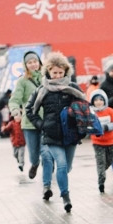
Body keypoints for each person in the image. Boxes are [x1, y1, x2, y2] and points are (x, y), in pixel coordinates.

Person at [26, 51, 89, 212]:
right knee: (60, 165)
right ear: (48, 71)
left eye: (61, 72)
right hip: (51, 135)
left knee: (66, 168)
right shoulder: (42, 90)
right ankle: (65, 197)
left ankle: (62, 186)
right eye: (55, 73)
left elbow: (84, 106)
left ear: (66, 71)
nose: (58, 76)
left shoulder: (72, 88)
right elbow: (29, 110)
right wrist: (42, 125)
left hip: (70, 135)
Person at [9, 51, 43, 178]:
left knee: (46, 152)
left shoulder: (46, 78)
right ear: (25, 65)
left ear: (39, 62)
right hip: (29, 123)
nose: (33, 64)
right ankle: (34, 164)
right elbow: (14, 100)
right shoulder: (22, 81)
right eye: (30, 62)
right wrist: (15, 111)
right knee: (34, 153)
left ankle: (47, 177)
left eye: (35, 61)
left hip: (46, 121)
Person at [90, 89, 113, 193]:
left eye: (101, 99)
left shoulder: (110, 111)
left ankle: (102, 171)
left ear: (105, 100)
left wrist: (106, 127)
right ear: (92, 101)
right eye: (96, 100)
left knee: (109, 160)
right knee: (100, 162)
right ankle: (101, 182)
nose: (98, 102)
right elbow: (88, 126)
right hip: (97, 142)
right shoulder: (91, 113)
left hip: (110, 141)